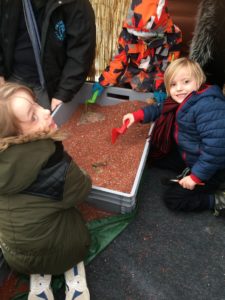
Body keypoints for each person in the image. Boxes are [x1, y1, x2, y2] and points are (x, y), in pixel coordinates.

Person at [0, 82, 92, 299]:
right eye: (32, 116)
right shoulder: (54, 164)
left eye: (37, 104)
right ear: (14, 134)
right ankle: (74, 271)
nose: (45, 110)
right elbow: (83, 189)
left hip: (15, 255)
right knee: (71, 212)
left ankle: (39, 281)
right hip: (62, 250)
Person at [122, 57, 225, 215]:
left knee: (174, 199)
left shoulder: (208, 107)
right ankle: (187, 172)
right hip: (190, 154)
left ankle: (217, 200)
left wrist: (195, 177)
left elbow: (216, 150)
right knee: (155, 156)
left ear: (199, 81)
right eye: (173, 84)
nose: (179, 89)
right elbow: (161, 108)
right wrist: (138, 115)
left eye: (186, 82)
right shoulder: (185, 99)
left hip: (212, 167)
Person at [0, 0, 96, 111]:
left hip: (49, 88)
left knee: (44, 123)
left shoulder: (75, 4)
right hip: (11, 80)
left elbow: (82, 51)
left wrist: (63, 93)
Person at [89, 0, 182, 105]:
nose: (140, 38)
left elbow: (168, 67)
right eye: (138, 36)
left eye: (146, 37)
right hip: (130, 79)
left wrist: (162, 89)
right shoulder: (128, 33)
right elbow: (119, 60)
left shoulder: (173, 37)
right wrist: (103, 81)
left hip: (155, 82)